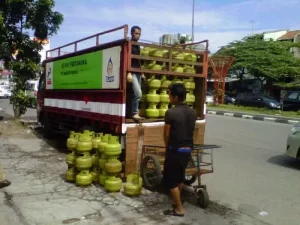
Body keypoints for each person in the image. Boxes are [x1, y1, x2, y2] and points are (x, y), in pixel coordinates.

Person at [163, 83, 197, 217]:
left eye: (169, 93)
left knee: (170, 180)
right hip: (187, 149)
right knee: (179, 178)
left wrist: (167, 148)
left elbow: (166, 134)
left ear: (175, 97)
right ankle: (177, 202)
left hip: (175, 150)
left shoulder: (170, 112)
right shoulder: (192, 112)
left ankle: (179, 208)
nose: (168, 96)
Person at [130, 25, 144, 120]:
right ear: (132, 33)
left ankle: (135, 112)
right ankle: (134, 113)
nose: (138, 35)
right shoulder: (129, 44)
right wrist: (128, 73)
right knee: (138, 93)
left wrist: (142, 72)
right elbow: (128, 59)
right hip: (132, 71)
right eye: (136, 33)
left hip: (138, 71)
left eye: (139, 34)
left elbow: (138, 60)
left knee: (136, 93)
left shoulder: (138, 46)